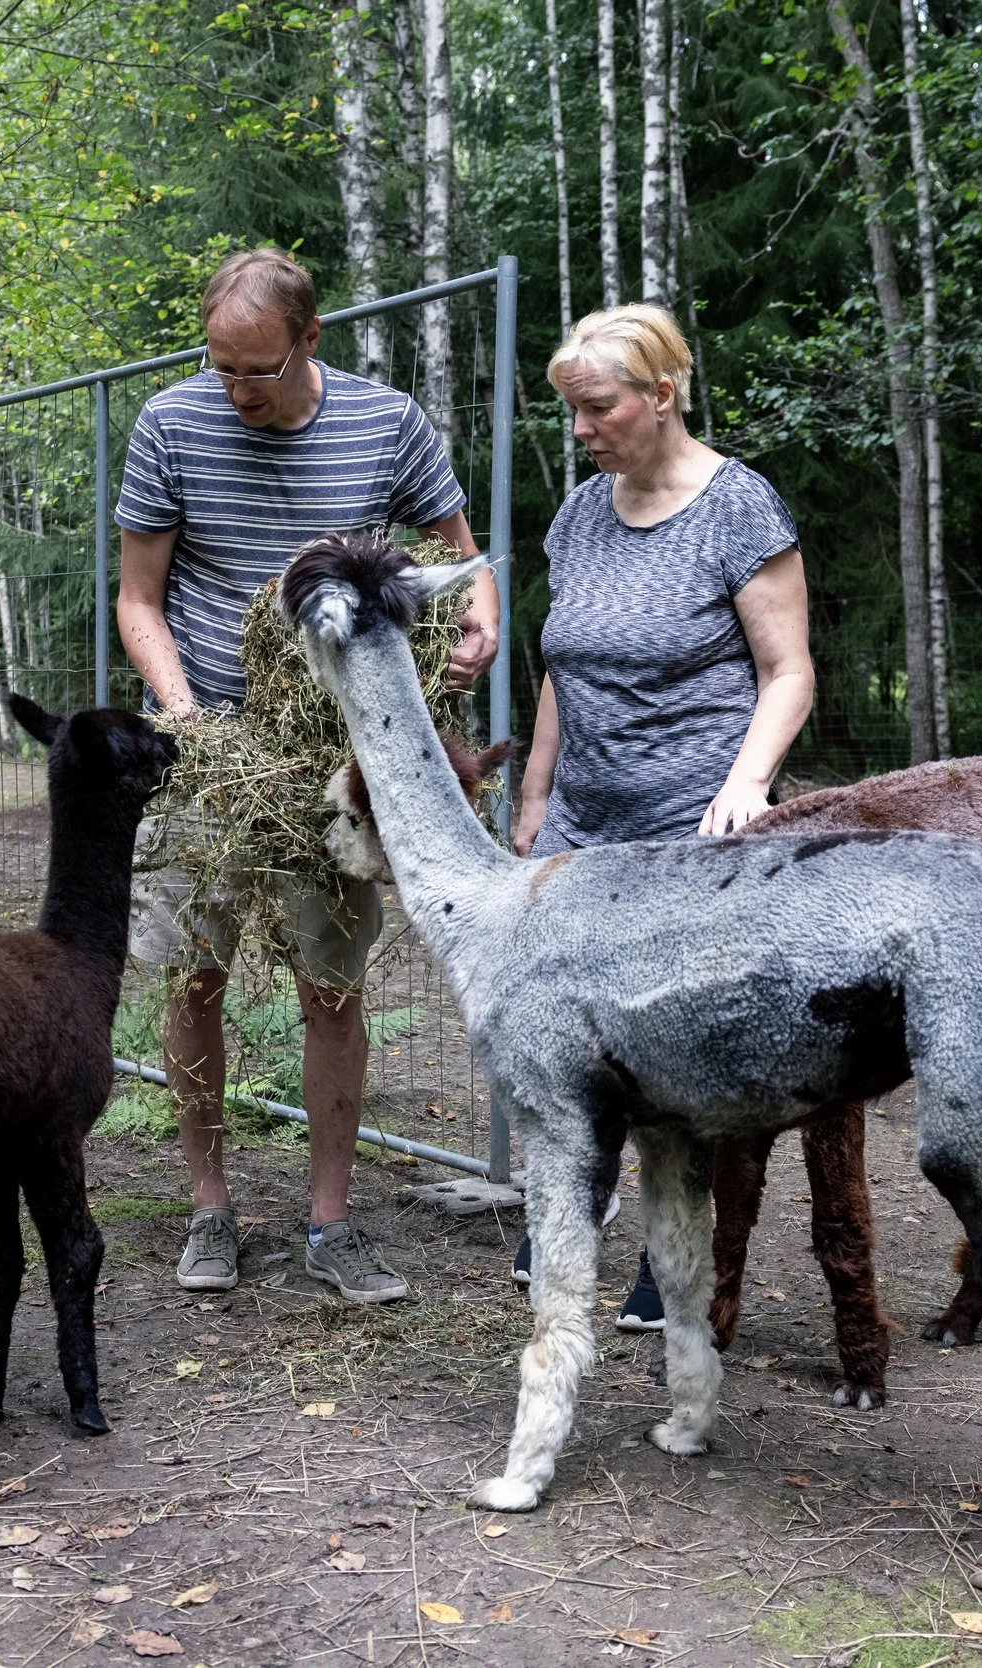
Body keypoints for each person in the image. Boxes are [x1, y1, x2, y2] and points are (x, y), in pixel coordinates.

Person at [114, 247, 500, 1305]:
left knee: (331, 988)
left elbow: (463, 557)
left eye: (260, 370)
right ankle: (208, 1209)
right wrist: (188, 719)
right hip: (208, 758)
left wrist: (480, 631)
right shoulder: (170, 426)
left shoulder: (387, 424)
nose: (237, 392)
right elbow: (139, 599)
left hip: (341, 758)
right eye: (221, 367)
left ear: (309, 341)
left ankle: (330, 1224)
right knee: (191, 976)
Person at [509, 303, 814, 1328]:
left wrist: (748, 782)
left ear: (661, 396)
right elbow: (562, 663)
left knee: (672, 1051)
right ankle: (570, 1207)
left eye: (597, 408)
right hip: (581, 823)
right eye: (572, 413)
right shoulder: (580, 515)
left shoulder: (739, 509)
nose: (582, 430)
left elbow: (786, 671)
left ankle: (669, 1254)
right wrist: (536, 792)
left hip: (691, 825)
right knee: (558, 1026)